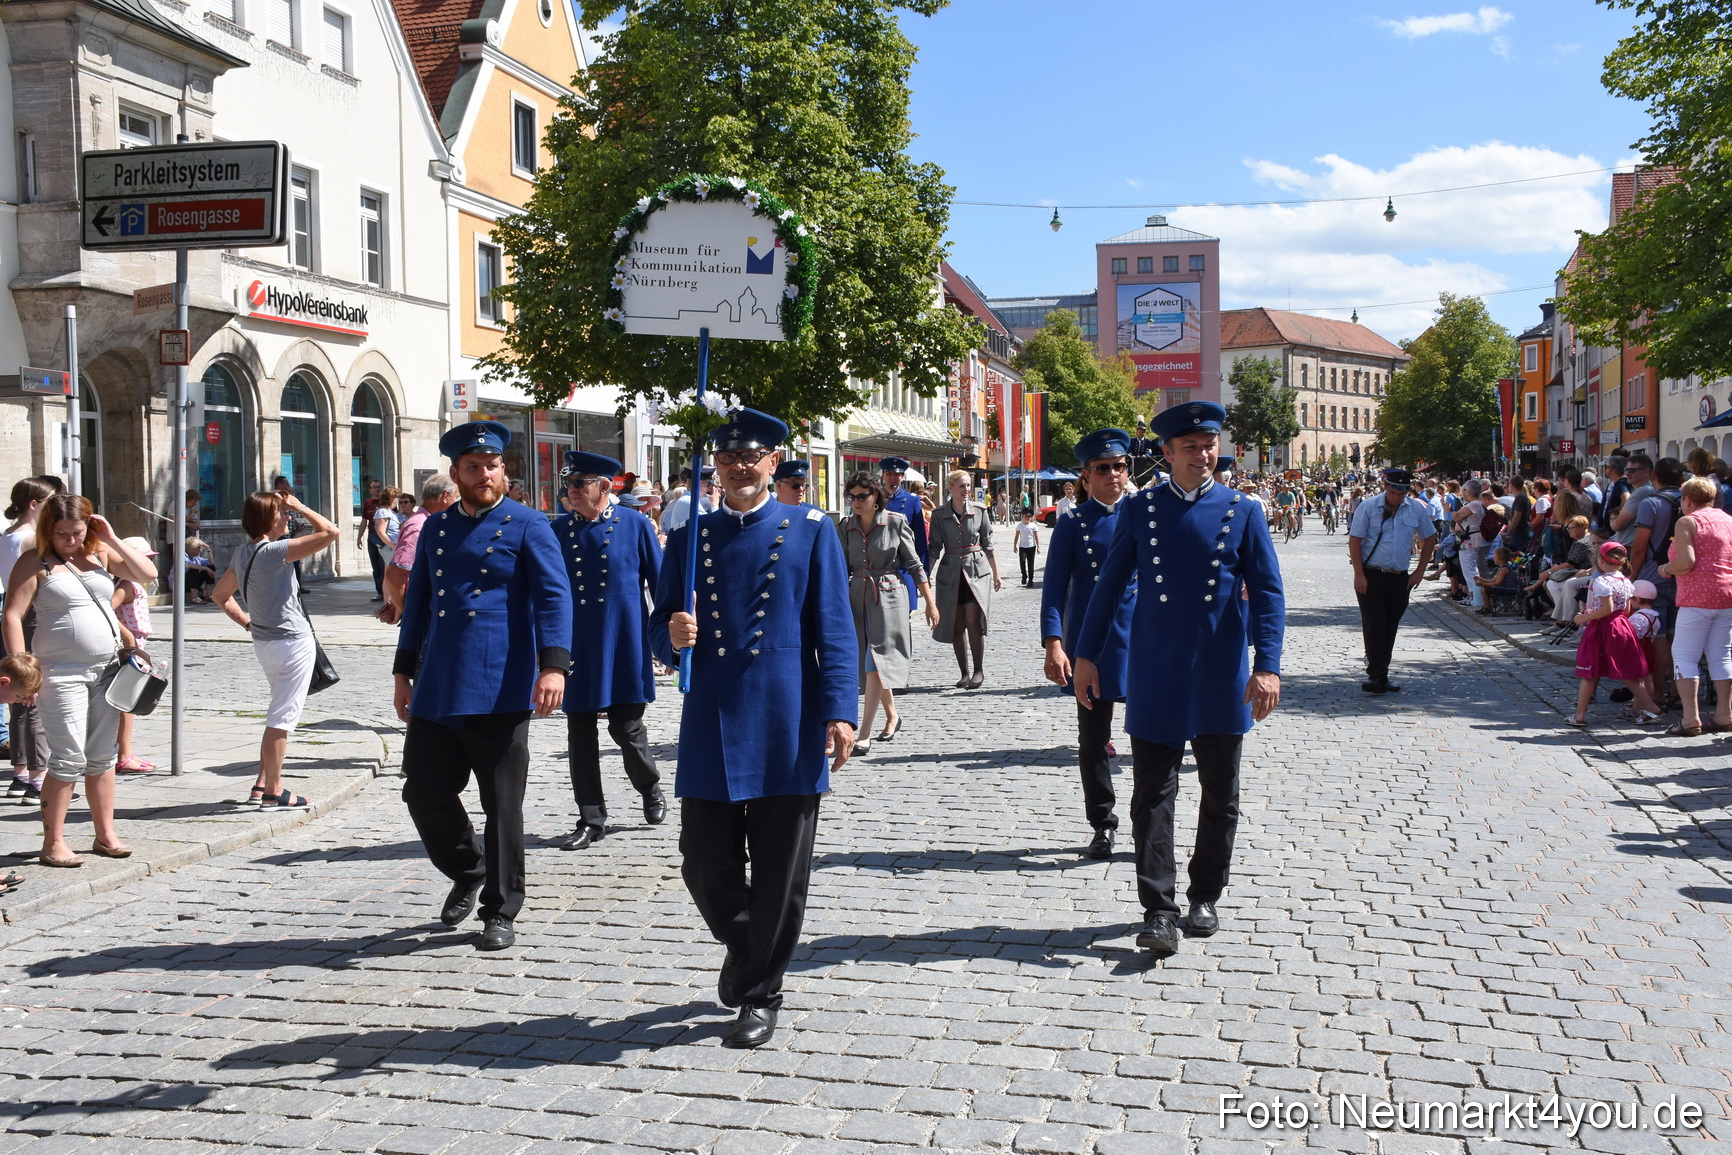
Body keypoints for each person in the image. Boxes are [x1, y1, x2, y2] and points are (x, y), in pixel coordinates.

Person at [649, 408, 857, 1049]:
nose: (741, 466)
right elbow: (660, 626)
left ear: (774, 463)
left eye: (754, 456)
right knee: (703, 865)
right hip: (711, 718)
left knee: (780, 872)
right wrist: (671, 637)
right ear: (716, 464)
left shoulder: (809, 530)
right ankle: (746, 947)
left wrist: (841, 709)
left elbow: (835, 627)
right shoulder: (690, 538)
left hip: (785, 719)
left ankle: (761, 992)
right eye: (729, 456)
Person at [1072, 401, 1284, 957]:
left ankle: (1205, 894)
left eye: (1209, 444)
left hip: (1219, 671)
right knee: (1152, 796)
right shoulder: (1140, 510)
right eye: (1189, 446)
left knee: (1221, 795)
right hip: (1156, 669)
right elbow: (1109, 585)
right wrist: (1086, 654)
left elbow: (1267, 593)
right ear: (1166, 454)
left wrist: (1267, 666)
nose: (1203, 454)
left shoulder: (1244, 510)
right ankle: (1158, 910)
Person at [393, 420, 572, 952]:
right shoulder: (437, 528)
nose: (485, 475)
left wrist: (554, 665)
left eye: (492, 466)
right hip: (440, 681)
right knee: (422, 790)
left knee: (502, 803)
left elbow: (554, 598)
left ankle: (500, 908)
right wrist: (403, 673)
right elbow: (417, 605)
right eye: (474, 468)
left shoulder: (527, 524)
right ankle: (468, 869)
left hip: (501, 681)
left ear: (502, 469)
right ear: (456, 474)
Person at [2, 496, 157, 866]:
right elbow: (11, 614)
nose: (69, 540)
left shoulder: (100, 554)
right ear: (47, 530)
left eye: (77, 532)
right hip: (59, 672)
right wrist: (23, 664)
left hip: (106, 671)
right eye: (61, 534)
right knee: (68, 758)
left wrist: (113, 538)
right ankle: (53, 842)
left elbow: (147, 576)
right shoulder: (34, 562)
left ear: (89, 527)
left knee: (102, 757)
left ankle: (105, 834)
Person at [552, 450, 665, 851]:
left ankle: (649, 786)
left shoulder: (634, 525)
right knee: (579, 733)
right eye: (568, 484)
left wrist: (667, 642)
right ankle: (590, 817)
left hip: (623, 642)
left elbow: (662, 587)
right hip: (578, 644)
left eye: (580, 484)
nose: (572, 491)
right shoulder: (559, 530)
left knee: (626, 728)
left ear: (604, 486)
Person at [209, 489, 341, 809]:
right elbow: (331, 532)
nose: (289, 518)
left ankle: (260, 783)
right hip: (291, 642)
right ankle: (274, 790)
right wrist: (303, 505)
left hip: (265, 643)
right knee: (281, 718)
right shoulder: (277, 550)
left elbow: (220, 595)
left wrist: (248, 623)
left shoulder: (242, 553)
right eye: (283, 514)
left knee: (277, 709)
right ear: (269, 519)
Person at [1041, 428, 1137, 860]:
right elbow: (1055, 588)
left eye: (1120, 466)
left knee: (1154, 738)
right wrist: (1054, 643)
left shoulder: (1147, 513)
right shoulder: (1073, 524)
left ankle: (1151, 819)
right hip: (1091, 648)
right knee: (1093, 740)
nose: (1113, 475)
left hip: (1142, 641)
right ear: (1085, 475)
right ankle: (1102, 822)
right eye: (1103, 469)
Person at [839, 473, 937, 755]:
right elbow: (839, 566)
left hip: (890, 596)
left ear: (875, 496)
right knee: (872, 664)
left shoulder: (895, 522)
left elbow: (915, 564)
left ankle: (864, 733)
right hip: (857, 597)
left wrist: (930, 602)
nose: (856, 502)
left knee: (874, 665)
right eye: (852, 496)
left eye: (862, 496)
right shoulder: (846, 527)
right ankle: (893, 716)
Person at [1348, 468, 1438, 693]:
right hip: (1371, 575)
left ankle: (1382, 673)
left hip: (1399, 577)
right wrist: (1359, 574)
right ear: (1386, 487)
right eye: (1394, 491)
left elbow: (1430, 537)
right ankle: (1376, 675)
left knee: (1390, 625)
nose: (1398, 497)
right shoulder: (1369, 507)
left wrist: (1419, 571)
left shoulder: (1415, 508)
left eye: (1403, 492)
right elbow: (1355, 540)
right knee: (1375, 624)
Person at [1656, 476, 1732, 736]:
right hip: (1727, 596)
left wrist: (1665, 568)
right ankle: (1724, 713)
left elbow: (1686, 562)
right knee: (1722, 655)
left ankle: (1690, 719)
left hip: (1696, 598)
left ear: (1687, 499)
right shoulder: (1728, 520)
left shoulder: (1688, 521)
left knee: (1685, 657)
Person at [1568, 542, 1661, 726]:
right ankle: (1651, 708)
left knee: (1590, 672)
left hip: (1602, 627)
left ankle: (1579, 715)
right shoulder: (1626, 581)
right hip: (1621, 626)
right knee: (1627, 672)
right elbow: (1625, 610)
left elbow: (1607, 609)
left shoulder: (1601, 581)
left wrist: (1585, 618)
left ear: (1601, 561)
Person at [929, 469, 1002, 689]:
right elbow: (934, 548)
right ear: (950, 488)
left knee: (973, 620)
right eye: (962, 486)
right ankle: (964, 673)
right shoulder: (939, 514)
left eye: (969, 485)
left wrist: (996, 573)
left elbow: (988, 544)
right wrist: (925, 576)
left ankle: (978, 670)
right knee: (956, 623)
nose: (967, 490)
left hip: (976, 571)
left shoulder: (980, 511)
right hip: (950, 573)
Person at [1, 479, 51, 800]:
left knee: (19, 700)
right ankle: (38, 778)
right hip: (30, 615)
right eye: (49, 503)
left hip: (10, 609)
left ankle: (20, 774)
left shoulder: (6, 535)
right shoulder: (30, 538)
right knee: (34, 698)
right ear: (34, 504)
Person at [1631, 457, 1685, 707]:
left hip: (1654, 576)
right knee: (1681, 638)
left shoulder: (1650, 503)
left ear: (1654, 477)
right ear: (1681, 479)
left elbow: (1640, 547)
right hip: (1684, 575)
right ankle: (1679, 692)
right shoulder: (1689, 502)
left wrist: (1632, 576)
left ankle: (1658, 694)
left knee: (1659, 637)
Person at [378, 475, 459, 626]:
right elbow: (395, 572)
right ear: (445, 496)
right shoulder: (420, 526)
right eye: (456, 497)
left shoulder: (426, 522)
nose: (458, 503)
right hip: (421, 610)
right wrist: (404, 608)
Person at [111, 537, 159, 774]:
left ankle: (125, 751)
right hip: (129, 647)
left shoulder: (134, 584)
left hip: (137, 644)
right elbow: (108, 609)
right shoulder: (126, 585)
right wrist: (127, 636)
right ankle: (123, 754)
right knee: (127, 703)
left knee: (130, 702)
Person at [878, 458, 930, 610]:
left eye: (897, 474)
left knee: (904, 610)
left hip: (904, 564)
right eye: (889, 473)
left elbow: (920, 537)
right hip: (880, 564)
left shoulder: (911, 500)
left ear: (903, 477)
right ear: (883, 475)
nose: (893, 477)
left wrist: (924, 570)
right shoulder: (874, 497)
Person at [1537, 515, 1593, 622]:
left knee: (1557, 584)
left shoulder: (1582, 543)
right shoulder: (1583, 539)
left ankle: (1567, 620)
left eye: (1572, 528)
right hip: (1580, 573)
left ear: (1582, 528)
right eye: (1568, 528)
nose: (1569, 531)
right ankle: (1563, 618)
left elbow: (1570, 564)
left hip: (1585, 574)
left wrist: (1550, 571)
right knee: (1551, 584)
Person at [661, 467, 716, 535]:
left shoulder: (687, 499)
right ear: (699, 484)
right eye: (708, 485)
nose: (708, 490)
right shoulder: (689, 501)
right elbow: (713, 527)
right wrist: (714, 505)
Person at [358, 477, 384, 597]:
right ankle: (379, 591)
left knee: (383, 564)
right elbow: (364, 521)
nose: (377, 489)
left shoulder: (386, 502)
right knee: (375, 565)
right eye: (375, 487)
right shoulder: (368, 503)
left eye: (379, 487)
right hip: (372, 538)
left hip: (384, 538)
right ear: (370, 490)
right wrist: (359, 537)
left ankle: (386, 590)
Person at [183, 537, 216, 603]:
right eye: (199, 548)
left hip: (193, 583)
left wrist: (208, 549)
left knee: (211, 567)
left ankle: (208, 594)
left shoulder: (197, 558)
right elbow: (191, 565)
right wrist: (206, 568)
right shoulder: (183, 556)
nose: (200, 550)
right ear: (192, 549)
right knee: (194, 569)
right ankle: (194, 597)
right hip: (182, 584)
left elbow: (211, 562)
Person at [1011, 508, 1040, 585]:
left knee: (1031, 563)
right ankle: (1024, 575)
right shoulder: (1020, 526)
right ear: (1022, 516)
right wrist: (1014, 546)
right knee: (1022, 561)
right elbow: (1016, 536)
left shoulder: (1033, 526)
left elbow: (1036, 536)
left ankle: (1030, 579)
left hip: (1031, 546)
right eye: (1026, 516)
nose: (1027, 518)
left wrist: (1038, 547)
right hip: (1022, 547)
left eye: (1029, 517)